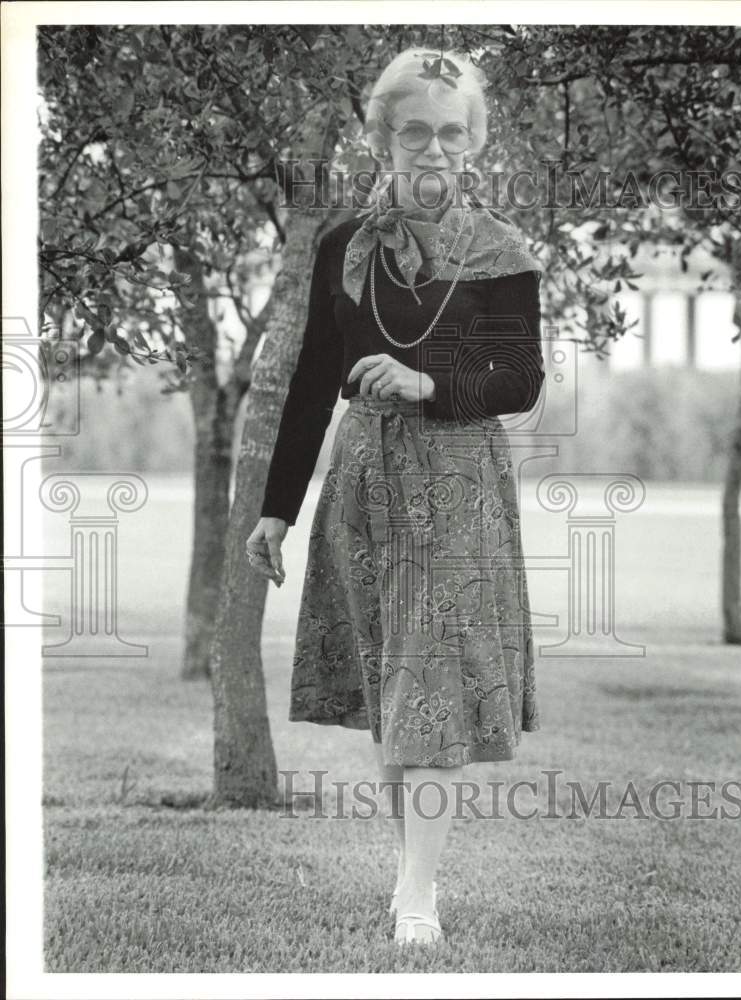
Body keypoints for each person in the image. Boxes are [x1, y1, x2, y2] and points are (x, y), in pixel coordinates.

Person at [245, 47, 545, 947]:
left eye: (453, 133)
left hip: (458, 488)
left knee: (433, 689)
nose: (435, 150)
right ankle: (410, 875)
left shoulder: (502, 252)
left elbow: (521, 380)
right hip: (366, 483)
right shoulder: (343, 244)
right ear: (383, 137)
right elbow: (309, 379)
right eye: (415, 131)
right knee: (394, 693)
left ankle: (418, 893)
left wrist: (426, 382)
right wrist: (277, 506)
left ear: (475, 141)